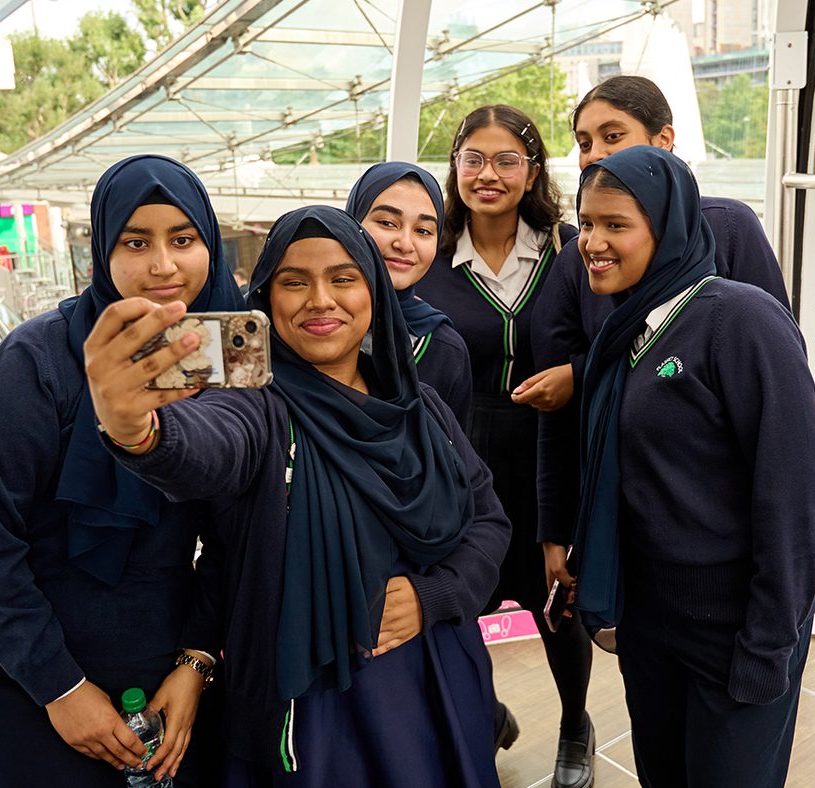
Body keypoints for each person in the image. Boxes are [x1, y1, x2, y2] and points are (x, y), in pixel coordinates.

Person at [87, 206, 511, 786]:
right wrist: (137, 430)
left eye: (342, 278)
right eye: (293, 282)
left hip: (440, 679)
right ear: (265, 301)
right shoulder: (260, 408)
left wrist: (433, 594)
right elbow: (208, 448)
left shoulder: (422, 408)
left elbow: (489, 522)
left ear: (373, 292)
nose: (320, 300)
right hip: (319, 711)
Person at [0, 155, 234, 786]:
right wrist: (59, 687)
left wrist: (196, 661)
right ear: (102, 253)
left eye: (184, 240)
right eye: (136, 242)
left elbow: (240, 536)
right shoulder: (34, 365)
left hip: (161, 653)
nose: (163, 265)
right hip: (19, 665)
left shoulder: (226, 363)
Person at [557, 146, 815, 786]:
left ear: (669, 225)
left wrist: (769, 646)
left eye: (616, 225)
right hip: (652, 625)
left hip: (734, 630)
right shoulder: (627, 332)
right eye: (587, 223)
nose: (593, 242)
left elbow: (795, 494)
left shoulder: (740, 319)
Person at [412, 104, 594, 783]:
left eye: (506, 161)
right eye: (473, 159)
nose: (488, 174)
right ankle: (485, 712)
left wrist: (576, 375)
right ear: (455, 166)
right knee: (461, 603)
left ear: (533, 171)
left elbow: (609, 345)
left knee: (558, 607)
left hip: (550, 453)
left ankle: (577, 725)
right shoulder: (430, 256)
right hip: (460, 453)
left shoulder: (570, 249)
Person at [345, 162, 472, 423]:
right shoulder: (312, 321)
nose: (404, 244)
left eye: (423, 231)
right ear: (351, 223)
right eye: (387, 222)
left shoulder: (444, 349)